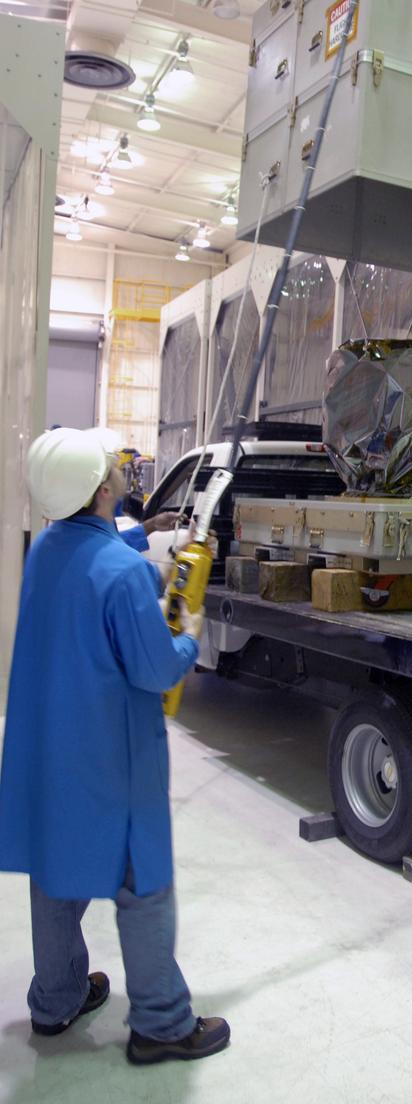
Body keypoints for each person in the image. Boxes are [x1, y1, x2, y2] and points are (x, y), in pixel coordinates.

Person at [0, 427, 230, 1065]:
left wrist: (142, 536)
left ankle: (55, 999)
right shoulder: (126, 576)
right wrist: (187, 635)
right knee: (142, 882)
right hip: (111, 755)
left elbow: (97, 557)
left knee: (55, 873)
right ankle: (161, 1023)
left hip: (50, 749)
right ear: (102, 488)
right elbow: (155, 670)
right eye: (113, 468)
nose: (120, 471)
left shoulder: (45, 549)